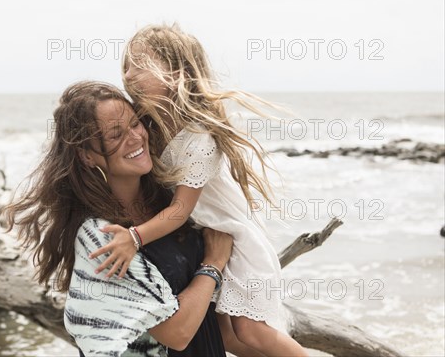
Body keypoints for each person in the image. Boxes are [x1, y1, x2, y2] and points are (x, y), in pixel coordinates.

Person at [89, 24, 309, 357]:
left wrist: (134, 237)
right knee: (228, 340)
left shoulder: (199, 138)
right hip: (204, 241)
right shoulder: (150, 123)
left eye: (140, 65)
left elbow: (180, 210)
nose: (128, 75)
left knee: (251, 330)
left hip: (233, 242)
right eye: (125, 66)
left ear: (176, 73)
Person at [3, 81, 236, 356]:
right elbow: (177, 332)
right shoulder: (101, 237)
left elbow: (214, 323)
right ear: (88, 155)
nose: (136, 137)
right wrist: (213, 264)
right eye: (115, 135)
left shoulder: (170, 205)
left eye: (135, 123)